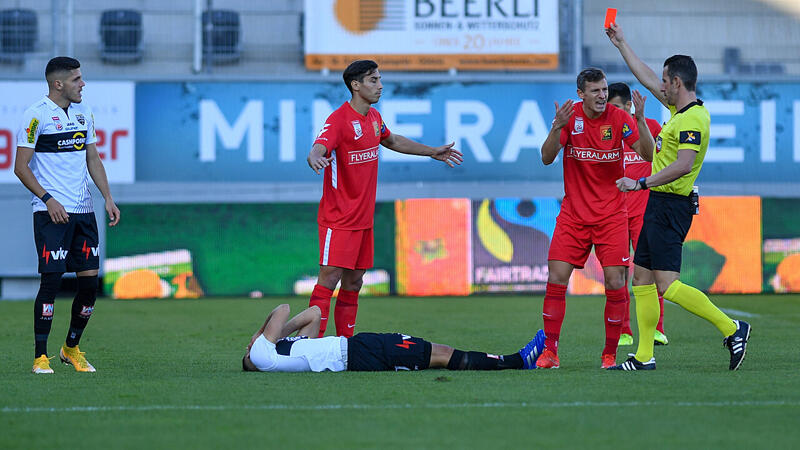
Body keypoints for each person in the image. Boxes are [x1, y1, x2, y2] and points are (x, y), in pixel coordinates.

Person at [606, 21, 750, 370]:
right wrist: (621, 43)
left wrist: (641, 183)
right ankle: (643, 357)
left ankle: (732, 328)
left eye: (666, 80)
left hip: (671, 205)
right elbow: (644, 78)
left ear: (678, 83)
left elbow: (684, 165)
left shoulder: (693, 119)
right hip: (659, 204)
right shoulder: (677, 111)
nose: (662, 85)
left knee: (667, 285)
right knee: (640, 277)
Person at [306, 60, 462, 339]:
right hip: (338, 218)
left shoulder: (374, 118)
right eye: (373, 80)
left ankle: (345, 344)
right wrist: (316, 156)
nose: (380, 85)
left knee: (354, 282)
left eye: (379, 79)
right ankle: (313, 344)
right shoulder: (339, 120)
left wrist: (431, 152)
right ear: (356, 85)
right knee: (329, 279)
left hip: (363, 218)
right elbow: (320, 145)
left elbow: (392, 141)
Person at [538, 68, 655, 369]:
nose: (603, 96)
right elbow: (547, 157)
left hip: (612, 215)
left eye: (604, 90)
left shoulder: (618, 118)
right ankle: (550, 352)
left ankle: (609, 355)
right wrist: (556, 128)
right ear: (581, 94)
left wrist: (640, 120)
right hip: (573, 214)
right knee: (556, 277)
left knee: (616, 282)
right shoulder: (570, 117)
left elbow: (646, 154)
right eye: (595, 91)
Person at [14, 56, 121, 374]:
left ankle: (70, 348)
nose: (83, 83)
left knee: (89, 286)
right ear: (58, 83)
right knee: (51, 283)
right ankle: (40, 356)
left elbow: (93, 157)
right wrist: (47, 200)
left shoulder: (84, 112)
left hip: (84, 212)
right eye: (77, 79)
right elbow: (20, 167)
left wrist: (108, 197)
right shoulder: (36, 115)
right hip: (51, 214)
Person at [242, 304, 546, 373]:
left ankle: (515, 360)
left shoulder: (280, 351)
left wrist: (275, 337)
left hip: (359, 347)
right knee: (439, 354)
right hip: (359, 354)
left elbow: (314, 313)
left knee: (437, 352)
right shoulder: (262, 356)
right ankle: (517, 361)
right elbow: (282, 309)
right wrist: (260, 335)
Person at [606, 82, 669, 347]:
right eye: (611, 108)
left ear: (629, 107)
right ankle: (623, 330)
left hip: (645, 210)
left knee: (651, 271)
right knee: (617, 273)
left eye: (618, 107)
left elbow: (667, 161)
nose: (614, 113)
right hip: (615, 212)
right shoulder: (605, 132)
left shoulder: (652, 127)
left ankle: (656, 328)